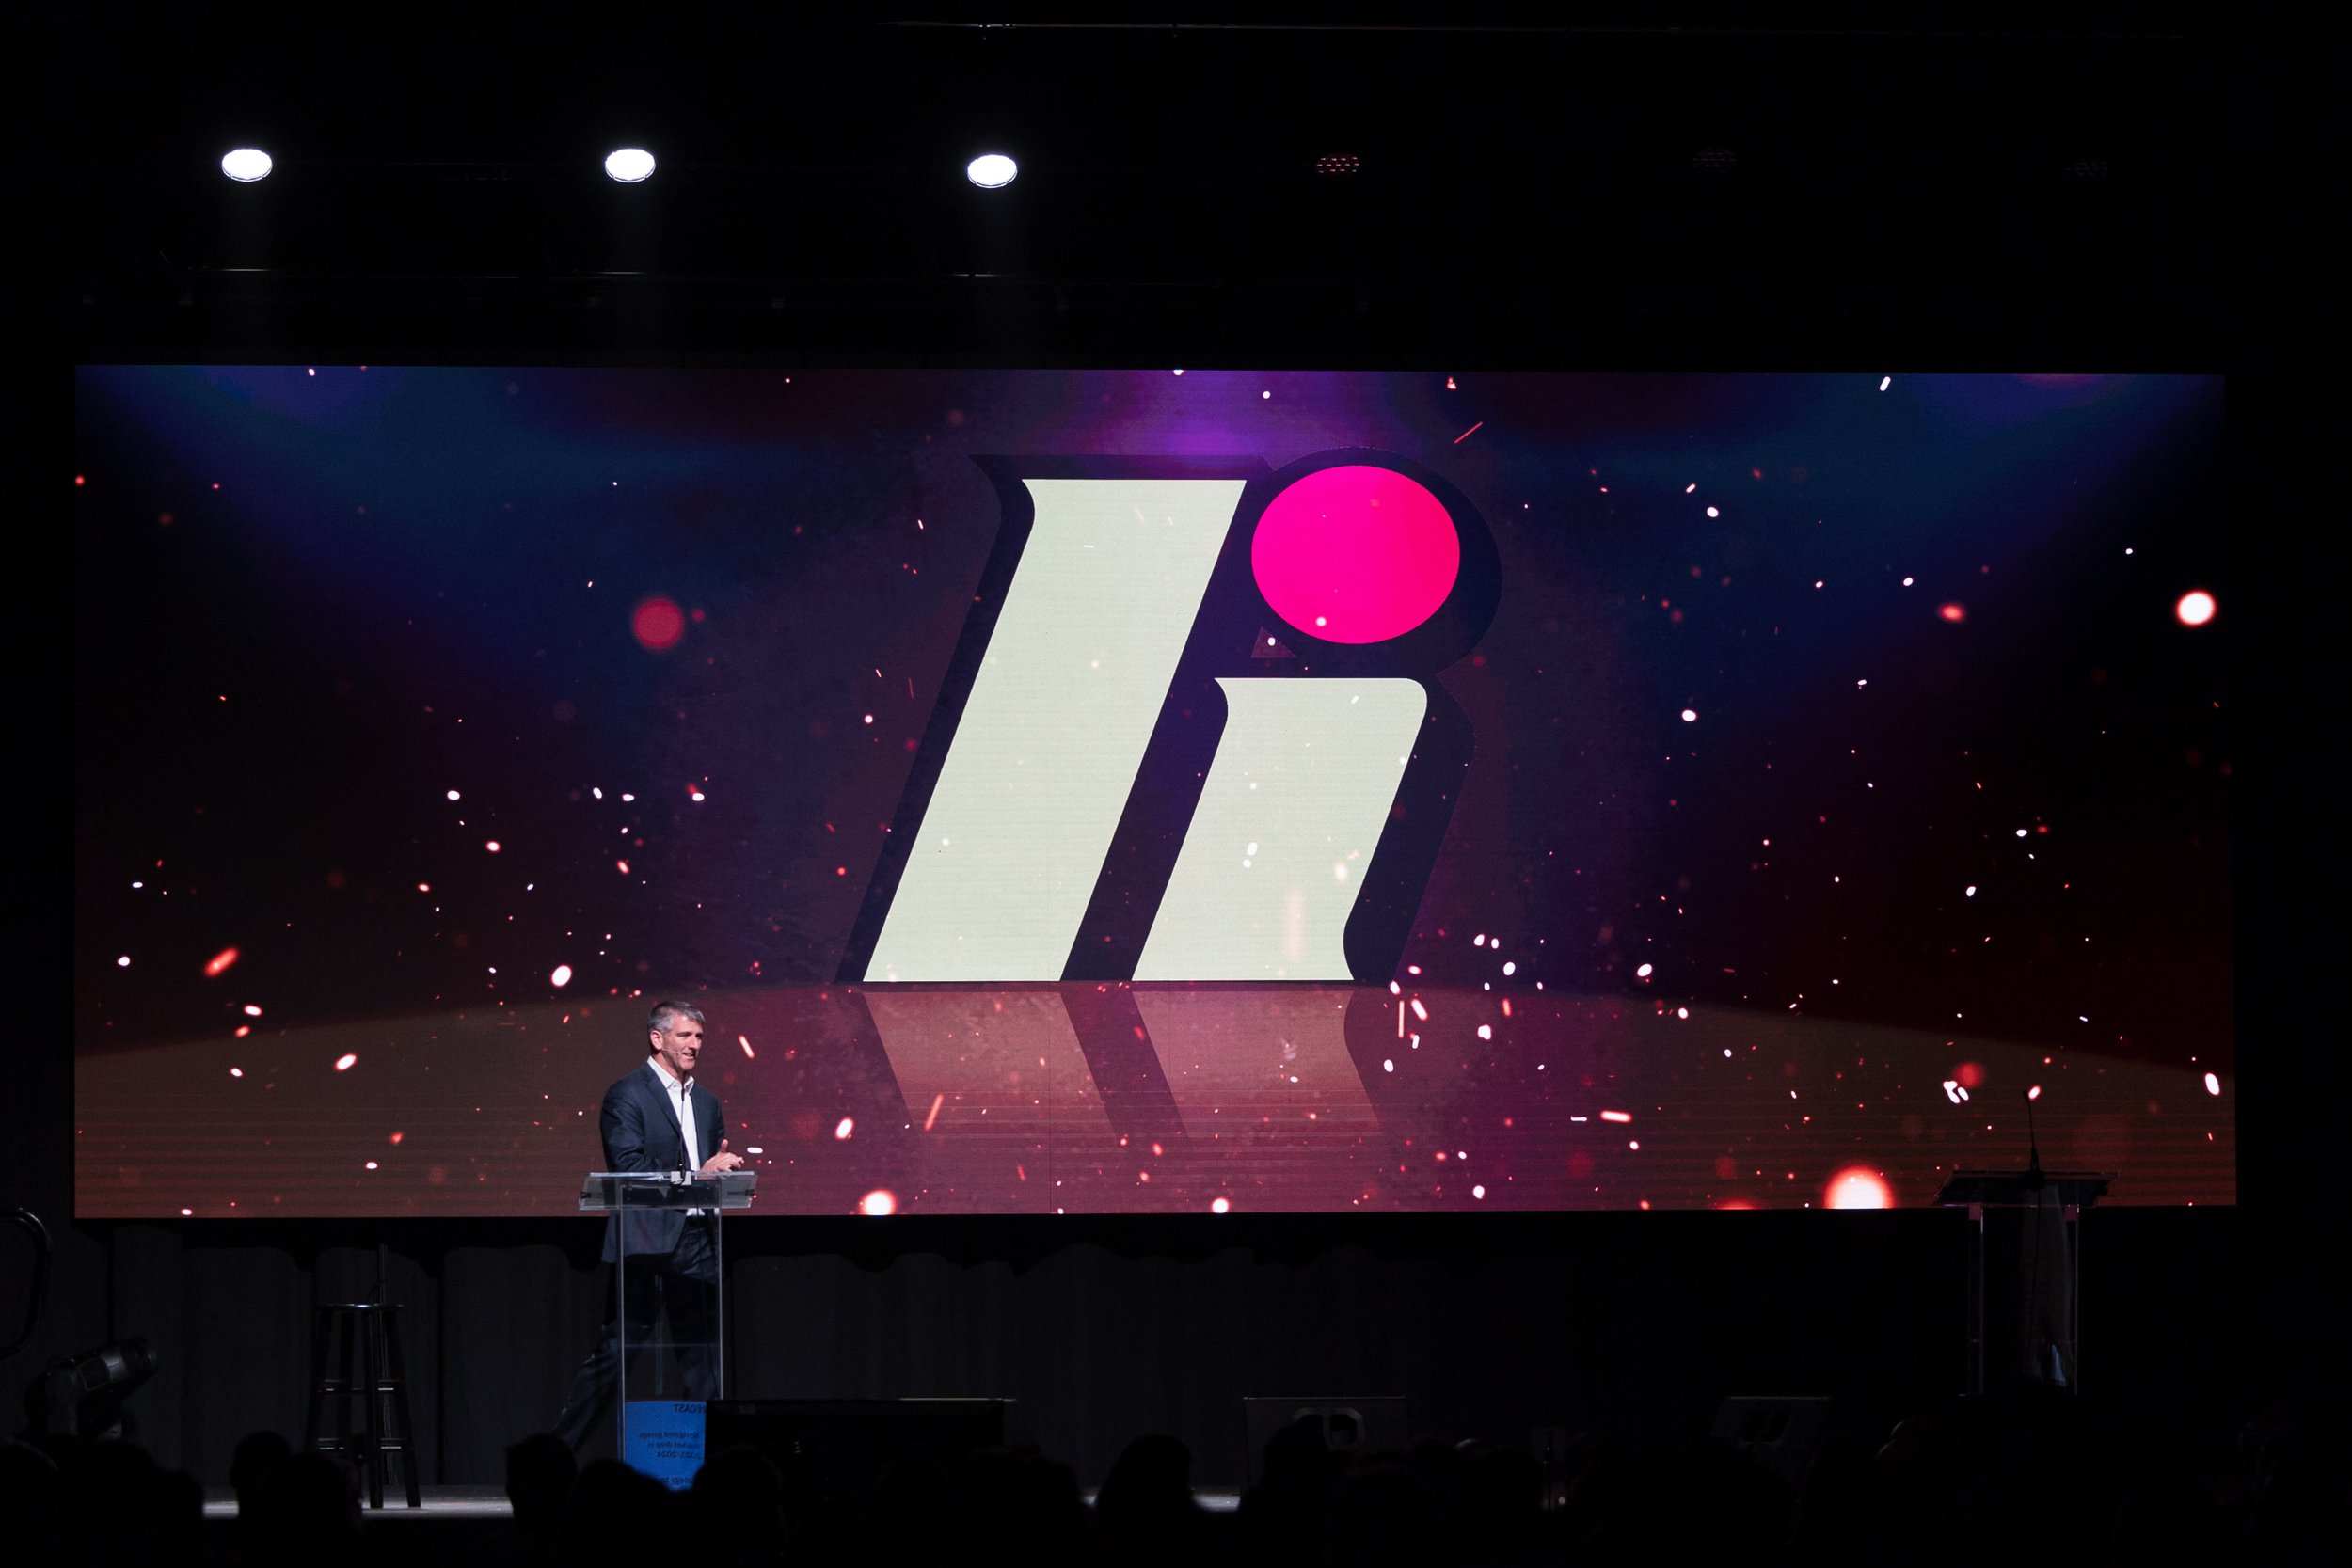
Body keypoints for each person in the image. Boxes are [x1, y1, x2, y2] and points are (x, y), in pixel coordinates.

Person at [552, 1001, 745, 1451]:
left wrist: (722, 1175)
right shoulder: (627, 1094)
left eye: (699, 1036)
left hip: (699, 1240)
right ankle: (556, 1455)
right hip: (646, 1241)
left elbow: (710, 1166)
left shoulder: (706, 1101)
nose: (695, 1044)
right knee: (616, 1355)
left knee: (703, 1361)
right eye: (685, 1036)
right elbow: (627, 1164)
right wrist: (697, 1175)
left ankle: (707, 1462)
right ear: (657, 1039)